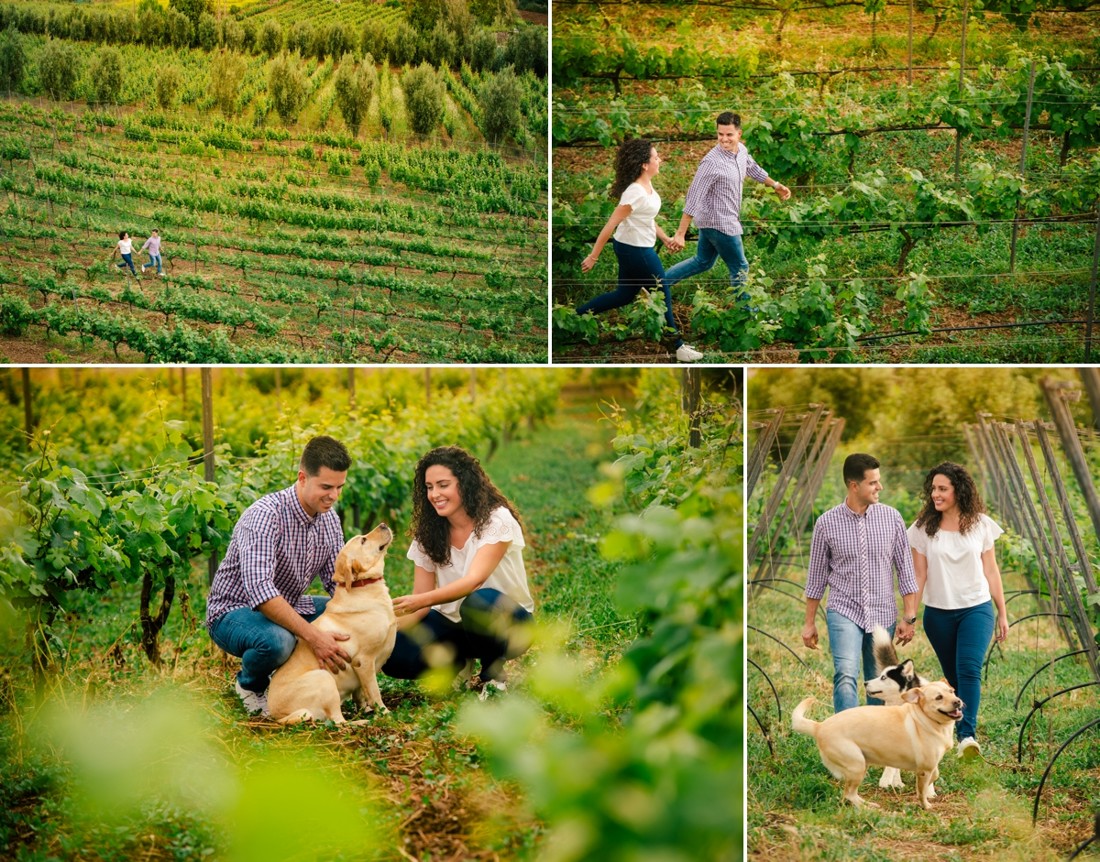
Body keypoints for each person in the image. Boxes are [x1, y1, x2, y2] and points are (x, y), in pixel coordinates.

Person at [206, 435, 353, 716]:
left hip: (289, 604)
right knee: (278, 642)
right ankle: (250, 685)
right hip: (234, 612)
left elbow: (336, 582)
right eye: (326, 486)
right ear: (302, 477)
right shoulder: (265, 516)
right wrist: (314, 636)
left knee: (345, 622)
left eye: (339, 487)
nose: (333, 495)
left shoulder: (330, 519)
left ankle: (323, 685)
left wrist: (359, 612)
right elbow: (260, 594)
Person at [383, 446, 534, 699]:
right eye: (429, 487)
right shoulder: (428, 534)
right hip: (456, 626)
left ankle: (493, 675)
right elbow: (419, 604)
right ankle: (459, 663)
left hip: (507, 624)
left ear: (464, 483)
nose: (435, 494)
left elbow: (473, 581)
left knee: (479, 602)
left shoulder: (497, 520)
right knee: (395, 654)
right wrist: (381, 632)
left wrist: (420, 600)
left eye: (443, 485)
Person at [803, 453, 919, 714]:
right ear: (854, 485)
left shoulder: (892, 518)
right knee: (845, 672)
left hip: (882, 612)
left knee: (879, 677)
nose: (880, 487)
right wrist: (809, 622)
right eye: (873, 483)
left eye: (879, 481)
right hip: (844, 609)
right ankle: (847, 736)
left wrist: (909, 617)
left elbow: (906, 571)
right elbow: (816, 578)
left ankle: (874, 737)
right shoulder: (826, 524)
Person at [908, 461, 1008, 759]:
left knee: (968, 669)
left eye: (942, 489)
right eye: (933, 489)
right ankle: (949, 726)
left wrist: (1002, 612)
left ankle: (967, 736)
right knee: (953, 678)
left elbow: (991, 570)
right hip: (938, 614)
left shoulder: (980, 524)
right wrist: (910, 614)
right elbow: (918, 575)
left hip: (976, 609)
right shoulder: (923, 529)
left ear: (958, 491)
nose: (935, 494)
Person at [578, 138, 703, 363]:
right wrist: (593, 256)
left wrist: (664, 238)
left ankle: (576, 316)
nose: (660, 160)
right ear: (645, 164)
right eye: (656, 157)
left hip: (635, 246)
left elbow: (647, 219)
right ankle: (678, 346)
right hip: (635, 250)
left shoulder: (647, 186)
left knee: (624, 295)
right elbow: (610, 224)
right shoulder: (635, 191)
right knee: (662, 290)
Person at [665, 111, 792, 303]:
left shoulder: (741, 150)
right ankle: (747, 313)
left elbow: (752, 168)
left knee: (703, 261)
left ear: (739, 134)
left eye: (729, 134)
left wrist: (775, 185)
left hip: (714, 220)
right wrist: (681, 233)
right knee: (740, 267)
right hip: (720, 223)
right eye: (720, 134)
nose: (724, 139)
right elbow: (693, 197)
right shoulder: (711, 163)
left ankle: (657, 285)